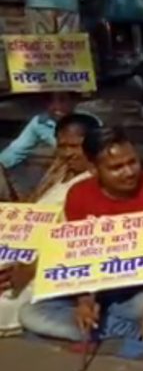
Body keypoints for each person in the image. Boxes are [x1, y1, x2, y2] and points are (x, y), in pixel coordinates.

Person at [19, 127, 143, 344]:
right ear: (93, 169)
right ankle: (137, 330)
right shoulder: (79, 194)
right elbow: (78, 255)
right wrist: (85, 300)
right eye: (116, 167)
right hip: (101, 287)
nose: (129, 172)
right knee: (31, 313)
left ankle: (128, 326)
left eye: (133, 162)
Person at [0, 114, 99, 336]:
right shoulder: (59, 173)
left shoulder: (93, 183)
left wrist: (28, 268)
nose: (67, 153)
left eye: (75, 146)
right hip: (18, 251)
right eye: (62, 146)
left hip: (42, 267)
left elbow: (76, 244)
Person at [0, 95, 95, 172]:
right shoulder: (40, 122)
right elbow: (16, 150)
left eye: (62, 100)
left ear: (73, 101)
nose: (56, 106)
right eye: (49, 100)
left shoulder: (88, 122)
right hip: (62, 169)